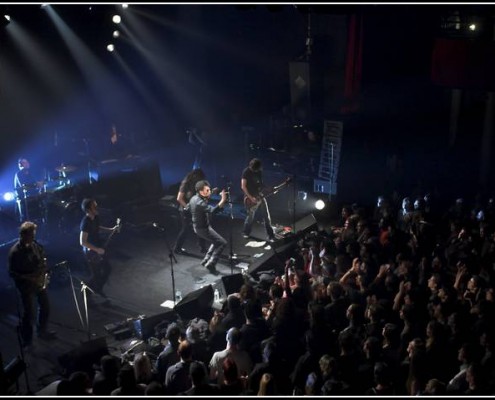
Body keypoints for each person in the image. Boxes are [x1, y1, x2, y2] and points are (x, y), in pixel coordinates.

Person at [8, 221, 56, 348]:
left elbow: (41, 259)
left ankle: (42, 331)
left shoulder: (35, 245)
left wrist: (44, 271)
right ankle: (27, 340)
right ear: (23, 235)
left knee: (45, 307)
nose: (34, 237)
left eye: (34, 234)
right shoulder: (15, 252)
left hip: (39, 282)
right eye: (31, 235)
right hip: (26, 286)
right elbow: (12, 273)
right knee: (29, 314)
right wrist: (29, 278)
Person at [79, 198, 119, 298]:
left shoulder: (95, 217)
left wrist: (111, 230)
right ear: (88, 210)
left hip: (98, 248)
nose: (97, 207)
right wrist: (97, 250)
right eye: (94, 206)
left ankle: (98, 289)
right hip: (91, 252)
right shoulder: (85, 222)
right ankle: (86, 292)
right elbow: (82, 242)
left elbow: (98, 227)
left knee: (107, 269)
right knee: (96, 275)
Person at [189, 180, 227, 275]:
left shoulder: (194, 198)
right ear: (201, 191)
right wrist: (223, 199)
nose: (209, 191)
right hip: (203, 229)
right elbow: (213, 211)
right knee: (222, 243)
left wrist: (211, 192)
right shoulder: (199, 203)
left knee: (216, 241)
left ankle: (206, 260)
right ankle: (211, 263)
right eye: (207, 190)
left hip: (199, 227)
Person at [173, 168, 208, 255]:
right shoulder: (185, 184)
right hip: (185, 210)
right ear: (195, 176)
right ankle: (177, 248)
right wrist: (188, 208)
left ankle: (202, 247)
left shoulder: (198, 184)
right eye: (200, 179)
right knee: (185, 229)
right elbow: (179, 199)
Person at [241, 158, 275, 241]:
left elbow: (261, 184)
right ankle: (245, 232)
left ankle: (271, 235)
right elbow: (243, 186)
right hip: (249, 197)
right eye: (253, 169)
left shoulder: (259, 172)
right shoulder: (246, 172)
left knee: (266, 216)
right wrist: (250, 197)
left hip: (259, 195)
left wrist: (268, 189)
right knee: (250, 217)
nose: (254, 170)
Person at [14, 158, 43, 222]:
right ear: (20, 165)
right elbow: (24, 186)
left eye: (27, 162)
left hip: (32, 195)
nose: (27, 164)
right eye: (25, 163)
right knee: (26, 217)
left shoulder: (30, 173)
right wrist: (36, 184)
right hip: (23, 198)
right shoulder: (18, 174)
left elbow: (35, 184)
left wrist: (39, 185)